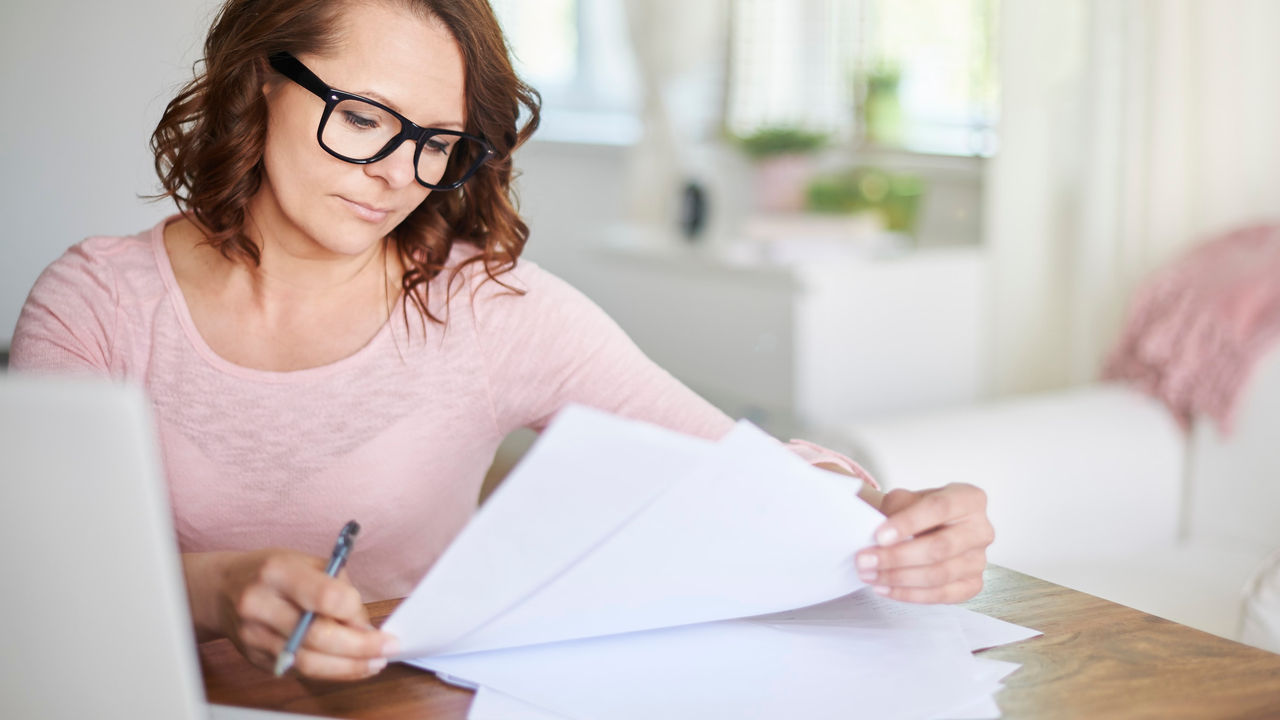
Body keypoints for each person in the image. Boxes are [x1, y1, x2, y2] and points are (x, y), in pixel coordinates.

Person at [11, 0, 994, 682]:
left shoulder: (486, 308)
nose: (397, 175)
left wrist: (892, 523)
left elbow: (735, 470)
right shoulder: (97, 302)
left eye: (434, 141)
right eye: (361, 117)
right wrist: (221, 589)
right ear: (258, 81)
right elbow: (30, 571)